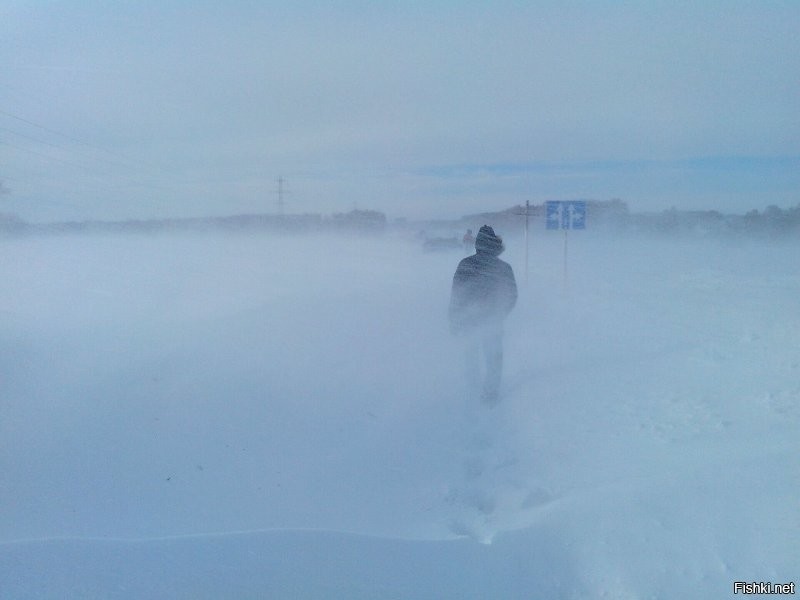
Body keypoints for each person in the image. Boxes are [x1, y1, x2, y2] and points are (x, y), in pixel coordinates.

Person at [449, 225, 517, 405]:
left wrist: (454, 320)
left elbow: (456, 295)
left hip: (469, 320)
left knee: (471, 355)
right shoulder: (504, 268)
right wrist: (501, 313)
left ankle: (473, 388)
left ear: (477, 244)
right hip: (493, 321)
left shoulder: (466, 264)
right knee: (494, 358)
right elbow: (512, 295)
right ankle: (490, 394)